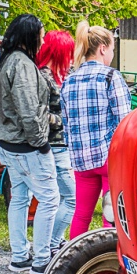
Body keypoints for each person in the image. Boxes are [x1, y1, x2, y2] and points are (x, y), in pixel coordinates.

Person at [0, 14, 59, 274]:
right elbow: (29, 111)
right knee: (50, 199)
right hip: (26, 144)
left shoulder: (7, 60)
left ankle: (20, 255)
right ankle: (41, 259)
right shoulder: (21, 64)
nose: (43, 41)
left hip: (10, 143)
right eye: (40, 35)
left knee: (20, 199)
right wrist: (41, 143)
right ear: (29, 36)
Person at [61, 21, 130, 239]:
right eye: (111, 49)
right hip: (109, 157)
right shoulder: (111, 77)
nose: (111, 54)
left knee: (81, 215)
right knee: (110, 216)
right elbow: (124, 122)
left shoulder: (68, 81)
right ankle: (109, 260)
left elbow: (66, 124)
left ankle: (74, 260)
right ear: (102, 48)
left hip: (81, 159)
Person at [36, 29, 77, 253]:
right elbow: (39, 114)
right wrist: (66, 120)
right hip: (54, 144)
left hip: (63, 144)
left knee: (63, 196)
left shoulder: (63, 74)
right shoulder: (44, 76)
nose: (71, 56)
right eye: (68, 51)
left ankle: (53, 241)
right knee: (72, 198)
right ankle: (52, 244)